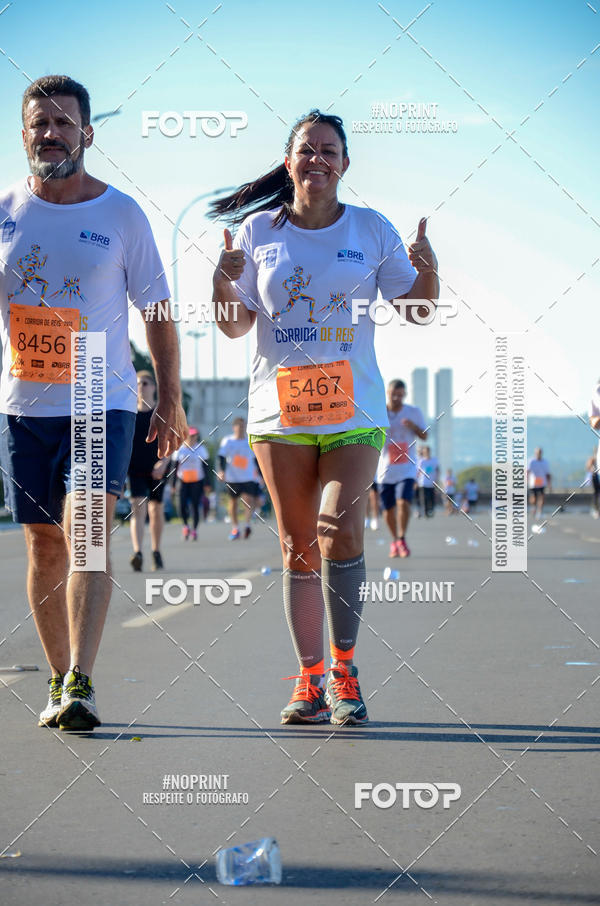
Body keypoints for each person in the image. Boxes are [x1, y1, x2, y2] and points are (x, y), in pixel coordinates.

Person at [209, 108, 439, 725]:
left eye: (328, 150)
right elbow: (234, 328)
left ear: (345, 163)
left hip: (354, 408)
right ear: (289, 163)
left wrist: (429, 266)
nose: (317, 159)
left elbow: (416, 310)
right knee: (298, 548)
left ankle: (344, 670)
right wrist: (221, 284)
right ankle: (309, 681)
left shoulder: (370, 229)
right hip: (279, 412)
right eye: (306, 149)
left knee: (339, 528)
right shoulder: (259, 233)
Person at [0, 75, 187, 731]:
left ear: (87, 133)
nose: (50, 134)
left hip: (99, 400)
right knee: (44, 546)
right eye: (38, 125)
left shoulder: (120, 214)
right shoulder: (3, 212)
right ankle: (57, 680)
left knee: (85, 537)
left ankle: (81, 678)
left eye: (62, 123)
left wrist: (170, 398)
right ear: (24, 134)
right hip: (24, 408)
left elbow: (158, 312)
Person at [377, 379, 427, 558]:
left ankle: (402, 538)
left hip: (407, 467)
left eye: (400, 394)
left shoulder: (413, 412)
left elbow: (425, 435)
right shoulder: (378, 411)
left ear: (405, 395)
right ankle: (394, 540)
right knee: (388, 509)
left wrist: (413, 426)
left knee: (403, 502)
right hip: (385, 469)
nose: (397, 397)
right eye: (393, 394)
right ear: (388, 393)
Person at [127, 370, 170, 571]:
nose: (141, 387)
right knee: (138, 507)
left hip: (157, 468)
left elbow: (172, 441)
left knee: (155, 509)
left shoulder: (160, 412)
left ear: (153, 387)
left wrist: (164, 462)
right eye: (138, 383)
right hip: (135, 468)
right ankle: (137, 552)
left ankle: (156, 550)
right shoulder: (129, 414)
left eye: (145, 383)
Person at [218, 417, 257, 540]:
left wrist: (260, 475)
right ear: (233, 427)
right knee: (233, 502)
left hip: (248, 476)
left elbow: (256, 459)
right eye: (239, 426)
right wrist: (222, 471)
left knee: (248, 501)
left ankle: (247, 524)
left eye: (243, 426)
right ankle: (235, 527)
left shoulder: (249, 441)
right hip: (232, 477)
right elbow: (221, 457)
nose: (241, 429)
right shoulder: (228, 441)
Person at [174, 427, 209, 540]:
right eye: (190, 436)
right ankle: (185, 526)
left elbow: (206, 467)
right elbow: (174, 468)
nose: (193, 438)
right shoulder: (179, 449)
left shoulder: (201, 449)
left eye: (195, 436)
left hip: (197, 482)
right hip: (182, 481)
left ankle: (194, 530)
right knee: (181, 505)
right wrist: (173, 484)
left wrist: (207, 484)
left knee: (195, 505)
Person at [527, 447, 551, 520]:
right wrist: (527, 480)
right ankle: (533, 508)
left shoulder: (545, 462)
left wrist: (549, 484)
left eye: (539, 452)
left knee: (541, 497)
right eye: (537, 453)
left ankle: (539, 512)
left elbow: (547, 473)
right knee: (533, 497)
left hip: (542, 481)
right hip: (533, 481)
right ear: (535, 453)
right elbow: (527, 471)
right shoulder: (531, 461)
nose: (538, 454)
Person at [416, 445, 439, 517]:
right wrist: (416, 481)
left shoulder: (434, 460)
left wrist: (436, 480)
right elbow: (418, 472)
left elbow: (437, 470)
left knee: (431, 498)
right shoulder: (421, 461)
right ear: (424, 452)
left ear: (429, 452)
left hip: (432, 482)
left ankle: (431, 509)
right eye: (425, 451)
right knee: (424, 498)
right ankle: (426, 513)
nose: (426, 452)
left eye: (428, 451)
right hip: (423, 482)